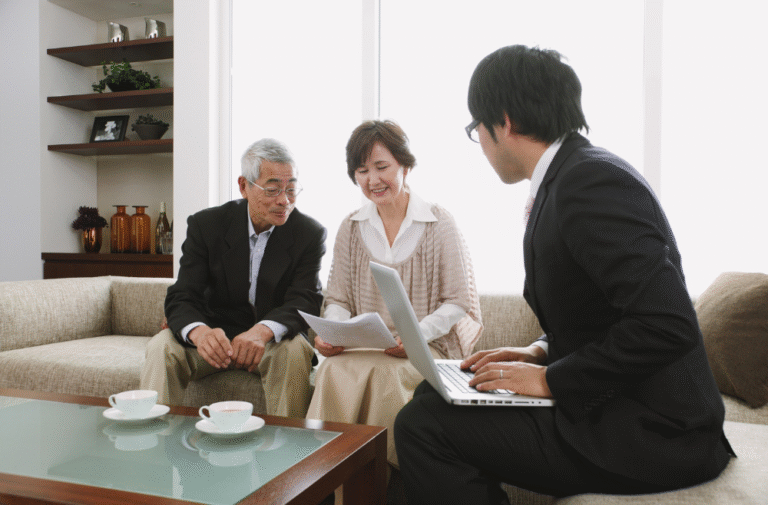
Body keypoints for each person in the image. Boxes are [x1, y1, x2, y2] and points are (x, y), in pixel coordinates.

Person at [394, 45, 734, 504]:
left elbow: (666, 323)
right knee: (432, 401)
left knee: (424, 426)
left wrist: (552, 380)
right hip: (624, 411)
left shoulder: (590, 183)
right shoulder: (571, 177)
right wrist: (540, 351)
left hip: (658, 433)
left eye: (478, 128)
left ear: (505, 121)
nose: (481, 144)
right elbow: (603, 310)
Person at [306, 119, 483, 467]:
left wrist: (414, 335)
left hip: (423, 349)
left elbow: (459, 302)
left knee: (387, 375)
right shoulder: (351, 226)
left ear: (406, 164)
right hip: (366, 346)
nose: (372, 180)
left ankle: (374, 482)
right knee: (330, 370)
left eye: (381, 167)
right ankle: (328, 478)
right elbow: (338, 299)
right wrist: (336, 331)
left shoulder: (438, 223)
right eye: (361, 170)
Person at [140, 138, 326, 418]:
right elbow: (183, 294)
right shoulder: (206, 225)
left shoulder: (309, 233)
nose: (284, 201)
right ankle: (152, 446)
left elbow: (306, 299)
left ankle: (291, 453)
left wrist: (261, 332)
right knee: (161, 347)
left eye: (291, 189)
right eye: (273, 189)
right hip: (215, 338)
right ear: (244, 186)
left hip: (271, 343)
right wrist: (200, 333)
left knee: (295, 350)